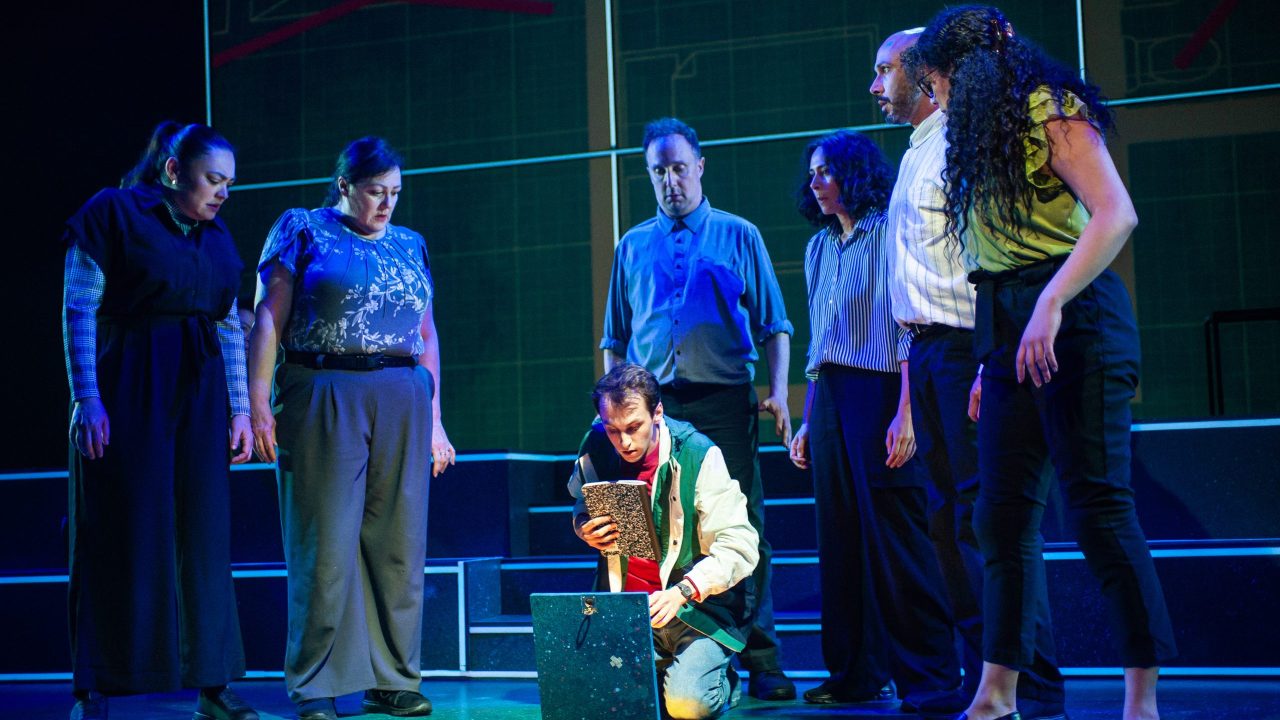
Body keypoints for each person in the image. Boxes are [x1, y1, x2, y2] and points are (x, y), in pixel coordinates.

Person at [909, 6, 1177, 719]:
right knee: (999, 517)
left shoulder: (1049, 108)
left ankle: (1141, 699)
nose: (939, 99)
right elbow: (990, 261)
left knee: (1098, 510)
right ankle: (998, 691)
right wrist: (989, 360)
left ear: (971, 67)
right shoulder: (977, 134)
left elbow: (1116, 214)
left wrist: (1052, 304)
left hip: (1075, 315)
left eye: (941, 83)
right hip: (1006, 328)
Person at [875, 28, 1067, 719]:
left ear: (923, 74)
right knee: (947, 522)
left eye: (885, 70)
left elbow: (983, 259)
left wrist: (990, 358)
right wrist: (905, 395)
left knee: (990, 524)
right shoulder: (914, 153)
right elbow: (911, 285)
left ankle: (1033, 690)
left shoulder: (963, 137)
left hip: (966, 348)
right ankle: (982, 683)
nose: (876, 86)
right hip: (928, 355)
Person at [248, 136, 454, 720]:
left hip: (403, 394)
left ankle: (393, 678)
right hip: (323, 388)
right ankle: (316, 685)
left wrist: (436, 420)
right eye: (374, 191)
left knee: (398, 543)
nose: (386, 203)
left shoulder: (411, 243)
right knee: (326, 543)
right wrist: (258, 401)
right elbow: (267, 316)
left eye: (394, 193)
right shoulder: (302, 227)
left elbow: (427, 334)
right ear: (344, 185)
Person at [62, 121, 258, 720]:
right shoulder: (115, 212)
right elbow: (79, 305)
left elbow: (228, 325)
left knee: (205, 531)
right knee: (121, 523)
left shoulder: (217, 237)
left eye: (230, 182)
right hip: (130, 379)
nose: (223, 191)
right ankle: (96, 683)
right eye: (212, 179)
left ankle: (214, 683)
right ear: (174, 171)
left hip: (198, 390)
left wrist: (242, 408)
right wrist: (86, 396)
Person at [600, 117, 796, 701]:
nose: (670, 181)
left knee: (741, 526)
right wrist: (611, 407)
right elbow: (615, 336)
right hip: (654, 404)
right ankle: (643, 647)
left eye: (679, 168)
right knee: (642, 525)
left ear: (700, 167)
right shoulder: (632, 245)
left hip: (721, 399)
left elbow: (775, 325)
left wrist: (781, 393)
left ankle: (759, 654)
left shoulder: (740, 235)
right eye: (658, 170)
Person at [785, 129, 959, 706]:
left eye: (826, 171)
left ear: (854, 175)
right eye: (812, 173)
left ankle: (930, 678)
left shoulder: (887, 232)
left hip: (883, 391)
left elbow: (908, 324)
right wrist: (810, 419)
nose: (816, 182)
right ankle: (854, 674)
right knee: (839, 540)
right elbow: (819, 343)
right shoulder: (818, 248)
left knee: (896, 536)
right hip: (832, 396)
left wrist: (907, 411)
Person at [569, 363, 758, 720]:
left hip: (696, 610)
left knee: (687, 706)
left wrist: (684, 591)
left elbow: (740, 543)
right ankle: (661, 668)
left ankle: (721, 679)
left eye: (633, 427)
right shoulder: (595, 444)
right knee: (598, 698)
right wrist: (583, 526)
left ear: (658, 412)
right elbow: (580, 499)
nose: (624, 441)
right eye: (613, 430)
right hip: (632, 608)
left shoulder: (697, 453)